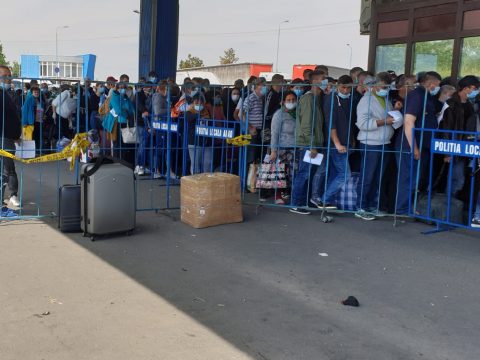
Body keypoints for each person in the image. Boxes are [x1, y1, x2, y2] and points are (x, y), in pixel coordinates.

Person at [396, 71, 442, 215]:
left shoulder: (425, 96)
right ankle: (402, 209)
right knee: (408, 179)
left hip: (422, 145)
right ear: (430, 83)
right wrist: (413, 147)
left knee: (414, 179)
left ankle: (407, 207)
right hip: (412, 144)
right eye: (437, 85)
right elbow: (409, 121)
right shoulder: (417, 95)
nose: (437, 88)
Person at [355, 72, 395, 220]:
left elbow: (388, 118)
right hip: (370, 143)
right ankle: (361, 206)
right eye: (384, 86)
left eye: (387, 86)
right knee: (368, 177)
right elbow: (363, 123)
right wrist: (385, 121)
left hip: (384, 143)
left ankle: (371, 205)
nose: (386, 89)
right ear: (374, 86)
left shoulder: (385, 99)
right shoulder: (366, 101)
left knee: (377, 177)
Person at [289, 70, 326, 215]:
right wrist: (312, 145)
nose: (325, 82)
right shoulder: (308, 99)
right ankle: (296, 203)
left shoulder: (316, 99)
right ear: (315, 81)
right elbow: (306, 125)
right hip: (308, 144)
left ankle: (302, 201)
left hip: (313, 143)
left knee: (309, 173)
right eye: (323, 79)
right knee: (304, 173)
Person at [318, 75, 356, 209]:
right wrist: (337, 143)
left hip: (347, 142)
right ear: (338, 86)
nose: (346, 90)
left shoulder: (351, 99)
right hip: (336, 143)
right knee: (345, 174)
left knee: (335, 173)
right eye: (343, 87)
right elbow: (331, 124)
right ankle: (324, 199)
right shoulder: (331, 100)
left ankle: (328, 201)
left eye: (349, 88)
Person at [440, 75, 480, 198]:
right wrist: (447, 152)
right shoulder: (451, 104)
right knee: (457, 179)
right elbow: (446, 127)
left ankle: (452, 207)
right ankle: (448, 207)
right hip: (454, 147)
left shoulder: (468, 105)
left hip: (465, 147)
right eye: (474, 88)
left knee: (458, 179)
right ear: (466, 88)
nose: (476, 91)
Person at [270, 91, 298, 204]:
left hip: (295, 147)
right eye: (288, 100)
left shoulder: (297, 113)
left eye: (293, 100)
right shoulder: (279, 115)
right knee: (280, 172)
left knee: (293, 173)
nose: (291, 102)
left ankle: (289, 194)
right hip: (282, 148)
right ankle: (278, 195)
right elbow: (274, 133)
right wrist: (273, 151)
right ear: (283, 102)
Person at [0, 65, 21, 208]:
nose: (9, 79)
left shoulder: (6, 93)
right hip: (3, 137)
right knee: (4, 171)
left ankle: (13, 195)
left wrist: (15, 134)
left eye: (9, 76)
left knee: (9, 169)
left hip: (8, 138)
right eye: (6, 76)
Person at [185, 93, 212, 174]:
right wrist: (198, 115)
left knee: (207, 164)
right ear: (193, 103)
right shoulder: (189, 112)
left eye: (201, 103)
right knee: (195, 165)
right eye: (196, 103)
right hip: (194, 142)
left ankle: (205, 183)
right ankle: (195, 183)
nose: (199, 105)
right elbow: (189, 119)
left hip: (207, 141)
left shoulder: (207, 112)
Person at [242, 77, 268, 164]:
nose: (265, 88)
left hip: (259, 130)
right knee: (250, 156)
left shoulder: (262, 98)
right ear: (257, 86)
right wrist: (250, 127)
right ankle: (247, 176)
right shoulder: (251, 98)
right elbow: (242, 114)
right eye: (263, 86)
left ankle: (253, 176)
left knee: (256, 156)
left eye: (265, 86)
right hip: (252, 131)